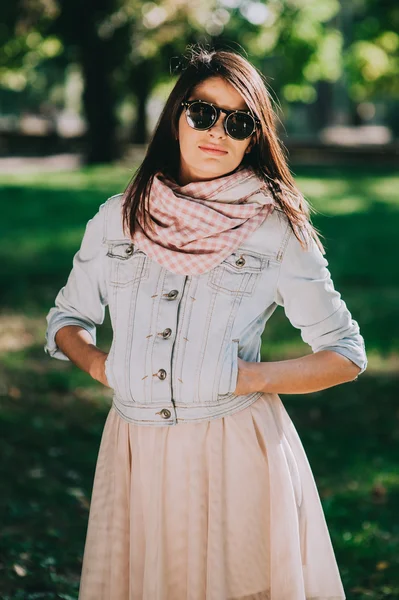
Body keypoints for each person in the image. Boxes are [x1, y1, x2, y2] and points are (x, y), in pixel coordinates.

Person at [44, 46, 367, 600]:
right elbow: (66, 319)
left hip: (234, 450)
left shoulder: (277, 229)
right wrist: (102, 366)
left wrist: (249, 378)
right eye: (203, 112)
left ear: (253, 138)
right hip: (135, 452)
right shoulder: (116, 218)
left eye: (239, 122)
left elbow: (344, 353)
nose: (218, 131)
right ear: (176, 116)